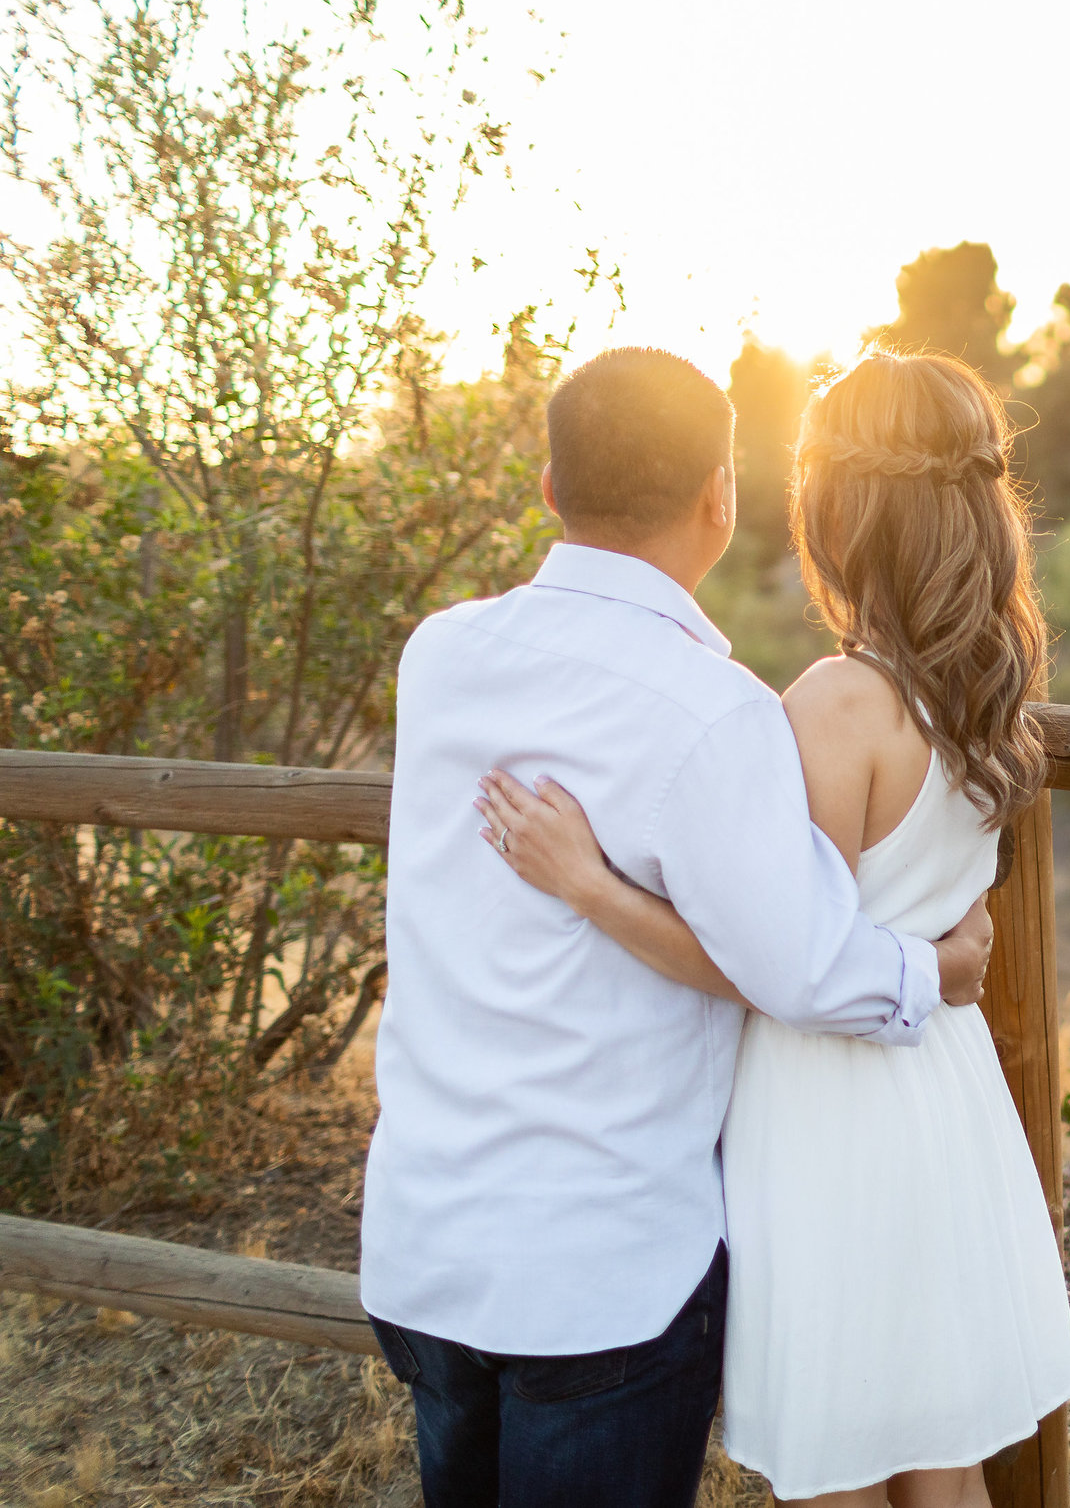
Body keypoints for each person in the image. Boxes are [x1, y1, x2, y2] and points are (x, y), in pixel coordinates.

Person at [362, 347, 996, 1508]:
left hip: (424, 1237)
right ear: (723, 495)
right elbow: (799, 967)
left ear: (549, 488)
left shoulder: (437, 655)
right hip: (600, 1272)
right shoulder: (718, 713)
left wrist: (594, 887)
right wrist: (938, 965)